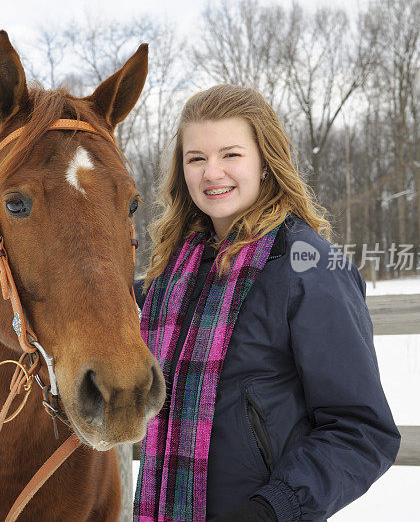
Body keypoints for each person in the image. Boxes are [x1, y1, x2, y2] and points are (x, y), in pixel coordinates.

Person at [132, 84, 400, 522]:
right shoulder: (170, 278)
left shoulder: (311, 268)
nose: (211, 172)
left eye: (231, 154)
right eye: (196, 158)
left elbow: (362, 432)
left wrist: (273, 509)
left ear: (265, 162)